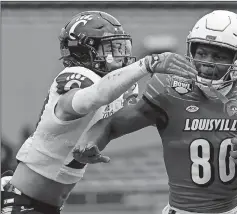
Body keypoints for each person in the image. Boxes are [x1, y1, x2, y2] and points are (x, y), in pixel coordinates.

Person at [73, 10, 237, 214]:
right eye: (202, 53)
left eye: (218, 56)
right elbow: (112, 125)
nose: (207, 63)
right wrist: (89, 143)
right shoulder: (169, 90)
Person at [0, 11, 197, 214]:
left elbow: (135, 114)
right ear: (84, 51)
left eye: (121, 47)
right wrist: (148, 64)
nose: (121, 55)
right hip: (22, 200)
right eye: (111, 48)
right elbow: (93, 97)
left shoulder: (115, 86)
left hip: (45, 205)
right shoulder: (76, 78)